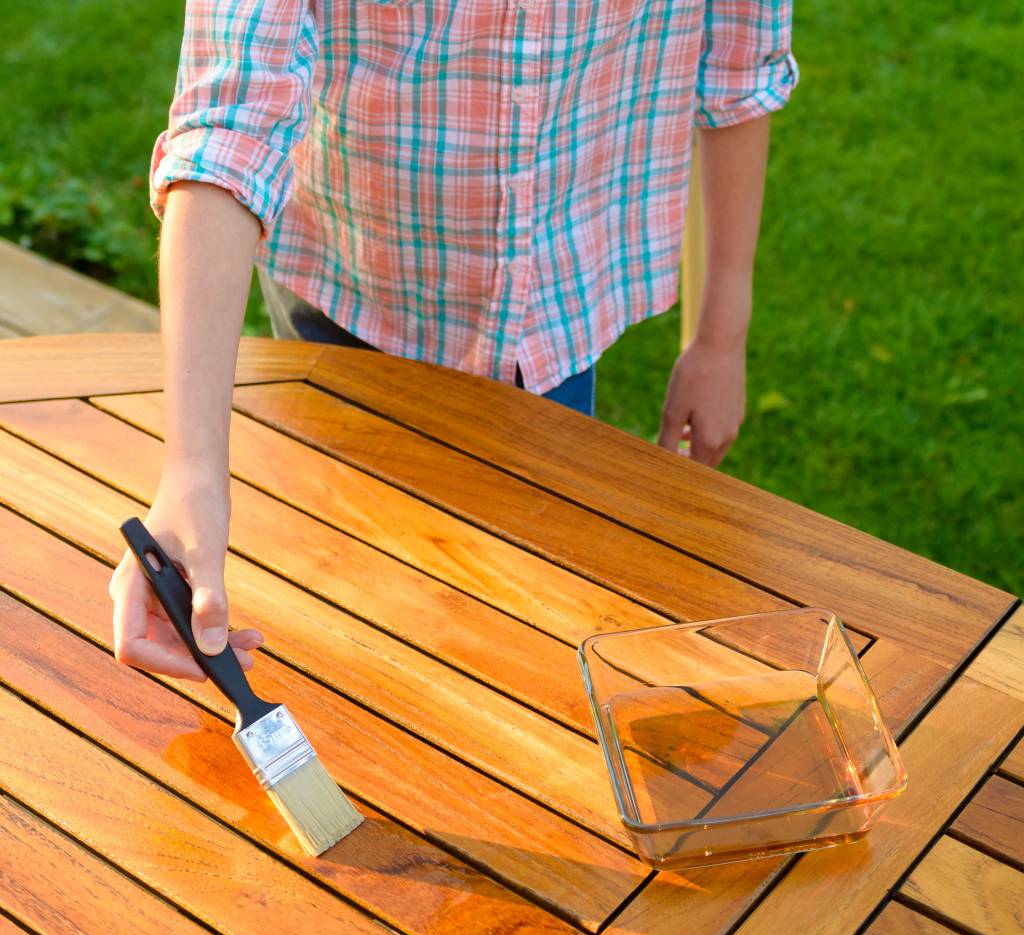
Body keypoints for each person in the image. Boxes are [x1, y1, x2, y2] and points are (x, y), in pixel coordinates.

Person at [108, 0, 798, 681]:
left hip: (556, 315)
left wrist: (720, 337)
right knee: (345, 616)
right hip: (349, 289)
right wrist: (193, 470)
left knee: (524, 648)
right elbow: (229, 131)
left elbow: (738, 61)